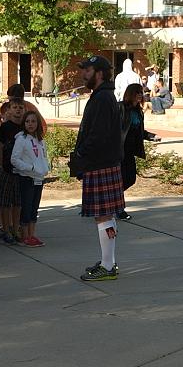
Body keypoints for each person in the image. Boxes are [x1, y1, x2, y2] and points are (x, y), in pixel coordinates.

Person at [68, 56, 124, 281]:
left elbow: (98, 134)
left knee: (104, 216)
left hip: (100, 163)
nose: (84, 74)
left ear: (99, 73)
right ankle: (107, 261)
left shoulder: (102, 98)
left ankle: (108, 266)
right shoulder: (103, 96)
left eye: (87, 70)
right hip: (104, 163)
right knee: (106, 216)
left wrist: (82, 153)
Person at [11, 110, 49, 247]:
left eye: (33, 121)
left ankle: (32, 235)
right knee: (26, 207)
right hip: (27, 178)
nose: (30, 124)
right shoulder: (21, 139)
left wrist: (45, 168)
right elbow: (14, 159)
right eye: (27, 121)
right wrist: (30, 168)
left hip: (39, 177)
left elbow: (44, 156)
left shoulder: (40, 140)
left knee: (34, 208)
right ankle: (25, 236)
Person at [119, 84, 155, 221]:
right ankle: (119, 209)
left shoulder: (138, 111)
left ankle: (112, 201)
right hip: (119, 149)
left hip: (130, 150)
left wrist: (150, 136)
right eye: (137, 93)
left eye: (141, 93)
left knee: (130, 179)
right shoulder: (121, 108)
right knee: (120, 180)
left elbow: (138, 130)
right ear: (130, 94)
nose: (140, 95)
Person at [0, 99, 24, 244]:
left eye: (20, 107)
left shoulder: (25, 127)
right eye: (15, 107)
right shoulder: (5, 127)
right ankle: (6, 229)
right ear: (9, 110)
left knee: (18, 202)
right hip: (7, 168)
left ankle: (15, 228)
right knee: (5, 202)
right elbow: (0, 146)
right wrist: (0, 164)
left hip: (21, 170)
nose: (18, 110)